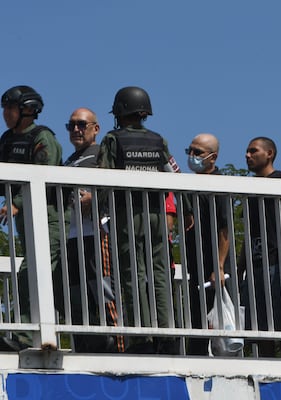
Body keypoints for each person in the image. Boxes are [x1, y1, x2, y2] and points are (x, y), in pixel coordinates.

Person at [97, 86, 180, 354]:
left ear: (120, 111)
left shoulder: (112, 139)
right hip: (157, 213)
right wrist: (185, 209)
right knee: (159, 273)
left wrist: (98, 210)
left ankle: (140, 335)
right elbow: (174, 174)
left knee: (132, 273)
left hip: (127, 214)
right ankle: (166, 332)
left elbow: (102, 179)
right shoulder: (159, 140)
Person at [0, 85, 63, 350]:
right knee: (30, 270)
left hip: (47, 215)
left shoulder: (42, 137)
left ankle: (27, 337)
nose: (5, 114)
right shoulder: (7, 140)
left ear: (27, 110)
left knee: (31, 272)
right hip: (23, 218)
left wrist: (14, 202)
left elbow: (45, 175)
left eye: (10, 108)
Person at [63, 108, 123, 353]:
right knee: (76, 296)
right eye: (71, 125)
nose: (76, 129)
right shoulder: (67, 161)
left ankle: (120, 347)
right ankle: (84, 348)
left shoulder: (101, 154)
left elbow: (118, 182)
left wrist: (96, 196)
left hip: (98, 232)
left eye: (81, 124)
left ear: (95, 128)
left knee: (104, 291)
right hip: (72, 236)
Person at [240, 136, 281, 358]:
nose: (248, 155)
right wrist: (241, 263)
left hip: (277, 262)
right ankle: (267, 371)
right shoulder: (250, 187)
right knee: (259, 325)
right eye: (247, 151)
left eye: (253, 151)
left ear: (269, 153)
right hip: (255, 265)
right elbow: (248, 229)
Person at [183, 133, 229, 356]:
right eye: (189, 151)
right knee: (196, 325)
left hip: (214, 271)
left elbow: (225, 229)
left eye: (198, 152)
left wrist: (219, 266)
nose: (192, 156)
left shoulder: (220, 185)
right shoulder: (190, 185)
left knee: (219, 327)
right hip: (194, 267)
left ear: (213, 157)